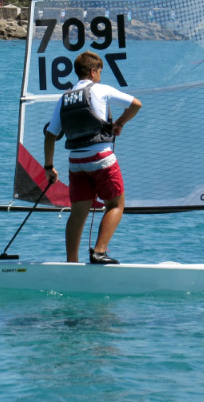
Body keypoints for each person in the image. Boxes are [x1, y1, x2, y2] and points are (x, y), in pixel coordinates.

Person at [43, 51, 141, 264]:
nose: (100, 77)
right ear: (93, 71)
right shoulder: (101, 89)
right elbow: (136, 104)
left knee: (78, 212)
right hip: (102, 159)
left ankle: (72, 262)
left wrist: (49, 167)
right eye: (99, 73)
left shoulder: (64, 98)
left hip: (76, 164)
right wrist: (120, 124)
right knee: (115, 205)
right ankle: (99, 251)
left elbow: (50, 135)